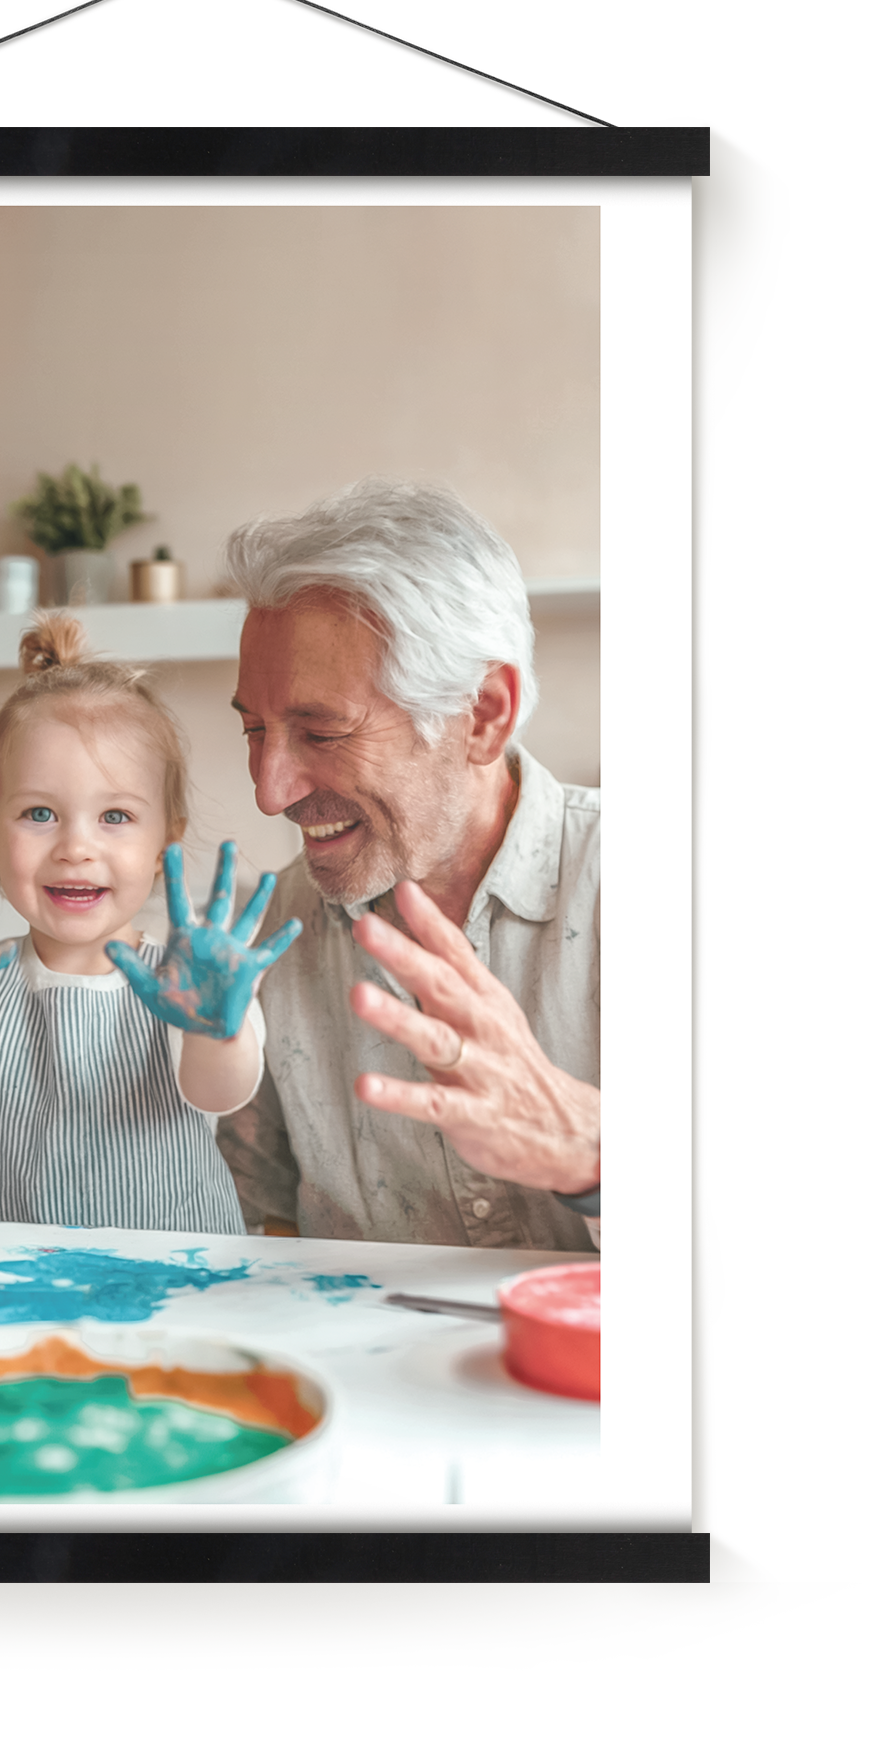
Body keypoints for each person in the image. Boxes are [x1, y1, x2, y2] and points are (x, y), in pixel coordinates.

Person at [215, 478, 602, 1250]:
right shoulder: (267, 933)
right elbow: (260, 1226)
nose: (270, 790)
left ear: (483, 715)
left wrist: (592, 1153)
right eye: (254, 730)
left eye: (320, 733)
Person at [0, 613, 299, 1235]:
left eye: (115, 817)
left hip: (171, 1285)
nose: (76, 847)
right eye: (40, 812)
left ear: (167, 840)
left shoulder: (192, 986)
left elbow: (221, 1094)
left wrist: (219, 1031)